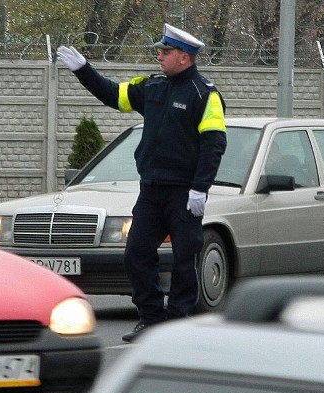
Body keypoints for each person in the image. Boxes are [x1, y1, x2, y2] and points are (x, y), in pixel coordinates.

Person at [57, 24, 227, 342]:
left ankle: (178, 323)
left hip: (183, 192)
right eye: (160, 50)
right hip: (151, 189)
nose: (159, 55)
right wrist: (84, 71)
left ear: (185, 57)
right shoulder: (153, 87)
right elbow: (113, 94)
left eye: (166, 51)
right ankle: (150, 318)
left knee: (184, 257)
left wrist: (200, 188)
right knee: (136, 253)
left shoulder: (205, 94)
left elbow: (214, 144)